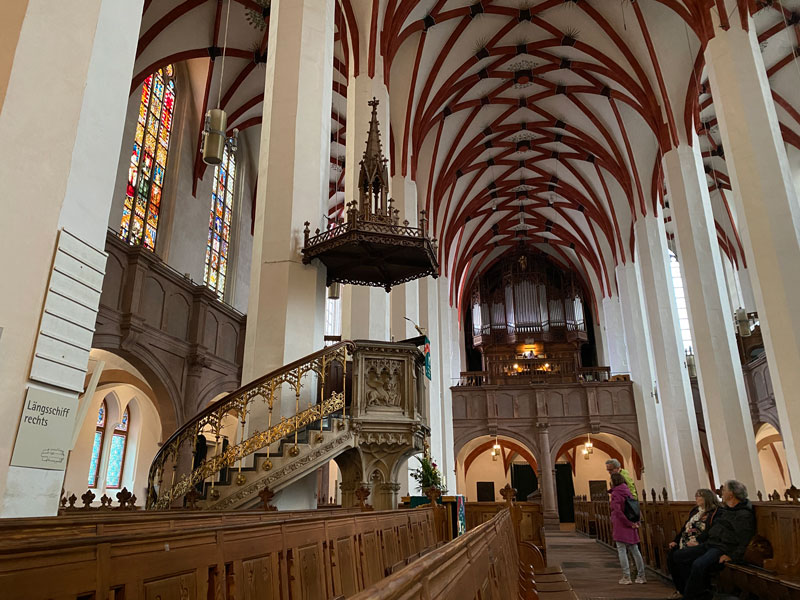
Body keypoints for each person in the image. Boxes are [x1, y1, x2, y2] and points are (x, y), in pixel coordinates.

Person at [669, 480, 755, 600]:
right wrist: (698, 541)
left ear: (731, 494)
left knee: (698, 564)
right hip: (710, 544)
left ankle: (692, 595)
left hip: (722, 548)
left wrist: (733, 557)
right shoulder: (727, 511)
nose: (721, 493)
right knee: (678, 555)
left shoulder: (743, 515)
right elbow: (712, 530)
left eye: (724, 490)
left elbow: (744, 539)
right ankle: (694, 591)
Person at [666, 489, 720, 598]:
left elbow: (711, 531)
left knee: (684, 558)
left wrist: (698, 541)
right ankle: (681, 589)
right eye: (696, 495)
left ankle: (691, 591)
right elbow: (685, 528)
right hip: (686, 541)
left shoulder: (715, 512)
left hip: (702, 543)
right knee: (671, 556)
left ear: (707, 498)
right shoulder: (695, 511)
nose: (696, 498)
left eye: (699, 496)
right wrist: (676, 541)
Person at [609, 472, 646, 585]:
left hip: (622, 524)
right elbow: (634, 507)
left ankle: (627, 577)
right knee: (635, 549)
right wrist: (635, 522)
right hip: (631, 523)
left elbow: (618, 511)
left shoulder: (615, 493)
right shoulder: (627, 491)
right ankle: (641, 576)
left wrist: (628, 523)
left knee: (622, 550)